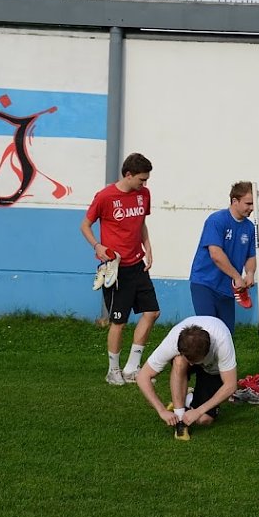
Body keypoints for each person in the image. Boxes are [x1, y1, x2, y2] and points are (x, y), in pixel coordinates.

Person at [80, 152, 160, 386]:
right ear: (128, 175)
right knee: (119, 321)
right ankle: (112, 370)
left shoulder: (143, 194)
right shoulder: (105, 196)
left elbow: (141, 223)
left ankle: (132, 368)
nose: (144, 184)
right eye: (142, 179)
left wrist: (148, 248)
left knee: (152, 312)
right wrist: (97, 246)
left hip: (138, 265)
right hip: (116, 269)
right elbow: (85, 225)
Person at [136, 316, 238, 441]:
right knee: (179, 361)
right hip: (188, 357)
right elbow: (142, 377)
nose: (190, 364)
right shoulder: (174, 339)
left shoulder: (221, 342)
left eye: (193, 361)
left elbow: (230, 385)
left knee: (204, 420)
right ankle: (180, 420)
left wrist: (199, 411)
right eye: (188, 359)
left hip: (212, 370)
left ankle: (188, 399)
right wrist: (161, 410)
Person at [188, 181, 257, 334]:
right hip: (205, 283)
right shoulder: (216, 220)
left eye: (254, 204)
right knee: (207, 331)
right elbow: (216, 254)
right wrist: (237, 276)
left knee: (225, 334)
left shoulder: (250, 227)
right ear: (235, 201)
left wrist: (250, 273)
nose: (252, 208)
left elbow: (251, 255)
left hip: (227, 288)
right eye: (248, 203)